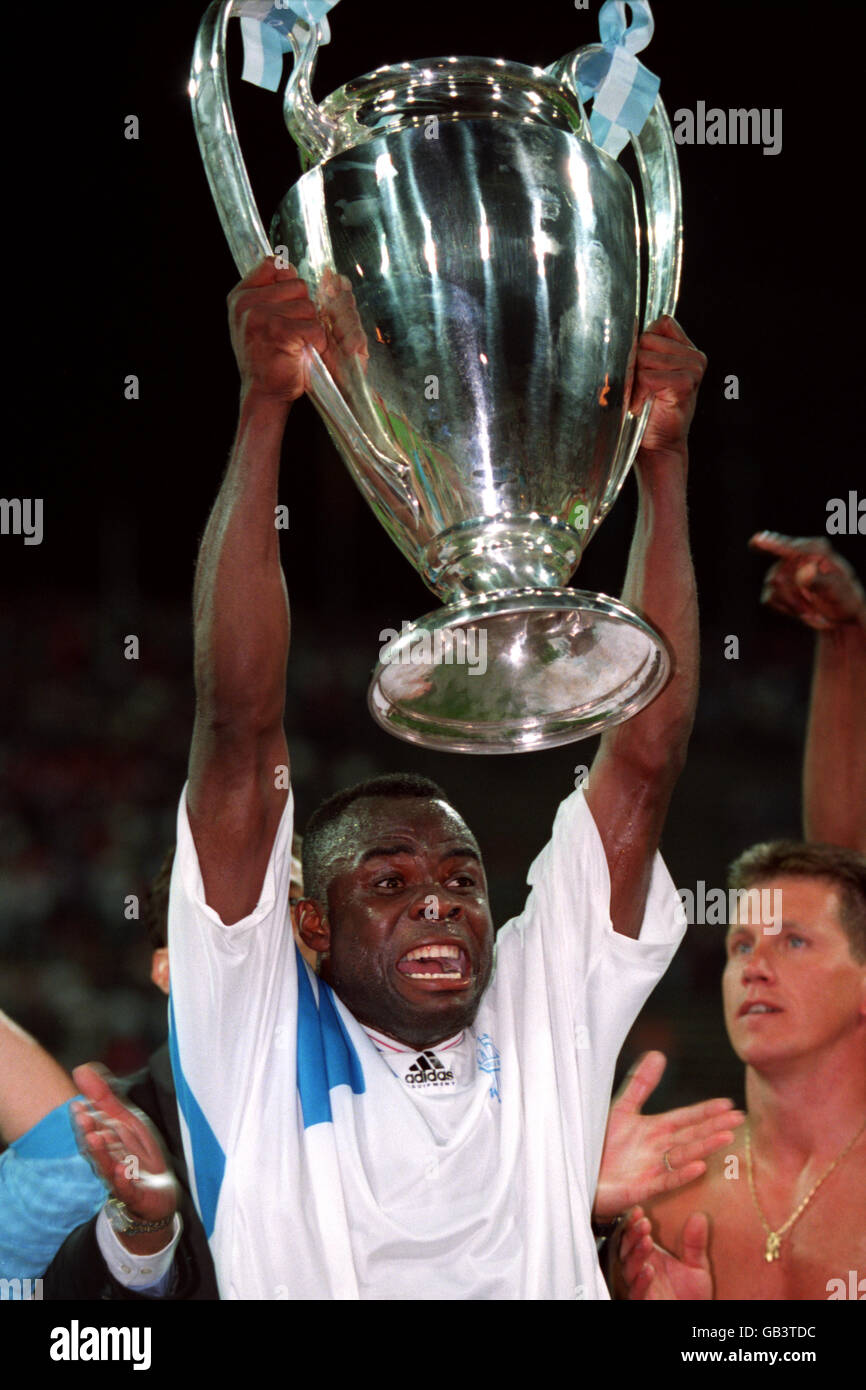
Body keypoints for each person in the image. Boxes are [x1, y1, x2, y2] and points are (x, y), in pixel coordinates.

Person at [73, 256, 708, 1300]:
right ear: (308, 927)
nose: (439, 904)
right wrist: (262, 410)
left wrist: (665, 463)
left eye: (460, 879)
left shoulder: (537, 1007)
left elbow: (642, 756)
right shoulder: (255, 1028)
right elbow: (238, 730)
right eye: (387, 882)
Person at [615, 536, 866, 1300]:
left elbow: (843, 853)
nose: (755, 964)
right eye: (740, 943)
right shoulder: (663, 1196)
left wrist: (846, 644)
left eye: (794, 941)